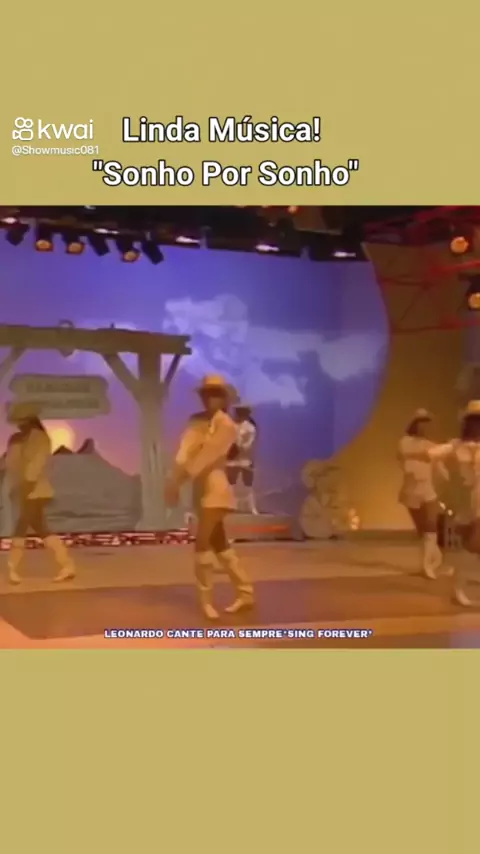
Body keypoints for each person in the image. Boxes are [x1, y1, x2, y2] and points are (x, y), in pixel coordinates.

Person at [165, 375, 255, 620]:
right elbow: (185, 452)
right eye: (206, 394)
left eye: (215, 394)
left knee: (202, 544)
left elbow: (207, 456)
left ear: (224, 398)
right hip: (199, 489)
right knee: (220, 544)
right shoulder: (196, 422)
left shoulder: (227, 425)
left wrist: (177, 482)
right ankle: (245, 592)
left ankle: (206, 601)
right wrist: (174, 477)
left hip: (216, 489)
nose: (209, 398)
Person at [5, 402, 76, 585]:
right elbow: (8, 462)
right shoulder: (16, 439)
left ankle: (12, 567)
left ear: (30, 420)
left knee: (21, 525)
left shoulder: (40, 438)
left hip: (36, 489)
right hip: (22, 488)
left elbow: (38, 462)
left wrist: (29, 483)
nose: (20, 425)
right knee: (42, 529)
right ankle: (67, 565)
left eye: (22, 421)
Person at [418, 400, 480, 606]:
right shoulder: (456, 446)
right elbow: (430, 455)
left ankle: (459, 589)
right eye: (474, 421)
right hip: (465, 501)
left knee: (473, 544)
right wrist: (445, 480)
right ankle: (458, 589)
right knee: (470, 547)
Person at [397, 408, 450, 579]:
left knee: (431, 526)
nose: (425, 427)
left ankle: (428, 566)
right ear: (415, 424)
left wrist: (449, 476)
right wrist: (438, 450)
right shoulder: (405, 442)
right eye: (422, 423)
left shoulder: (431, 445)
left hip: (427, 490)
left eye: (427, 423)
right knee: (424, 531)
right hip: (410, 491)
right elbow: (410, 453)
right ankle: (436, 561)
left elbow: (440, 467)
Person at [226, 403, 259, 514]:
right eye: (238, 411)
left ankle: (252, 508)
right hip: (232, 459)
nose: (239, 413)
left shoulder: (250, 427)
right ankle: (230, 506)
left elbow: (248, 444)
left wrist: (239, 444)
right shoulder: (231, 425)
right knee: (231, 484)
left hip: (245, 459)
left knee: (248, 485)